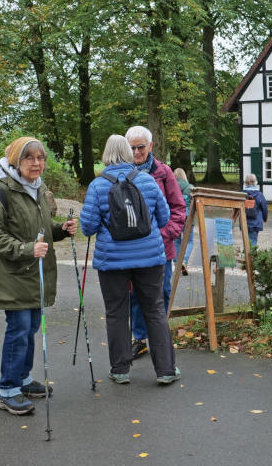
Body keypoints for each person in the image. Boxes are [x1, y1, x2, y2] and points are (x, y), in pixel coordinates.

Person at [0, 137, 77, 415]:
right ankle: (7, 390)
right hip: (12, 274)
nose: (36, 163)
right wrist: (26, 249)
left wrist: (60, 230)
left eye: (40, 158)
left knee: (31, 327)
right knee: (19, 330)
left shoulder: (38, 189)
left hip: (35, 273)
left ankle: (22, 379)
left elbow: (39, 228)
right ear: (15, 161)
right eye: (29, 158)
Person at [80, 135, 178, 386]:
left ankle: (121, 369)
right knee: (155, 310)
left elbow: (88, 227)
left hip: (112, 260)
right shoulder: (146, 180)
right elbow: (165, 217)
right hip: (150, 257)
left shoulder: (98, 185)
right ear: (127, 152)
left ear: (106, 154)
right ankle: (166, 369)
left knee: (116, 312)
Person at [125, 126, 186, 360]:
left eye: (141, 147)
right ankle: (139, 339)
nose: (137, 152)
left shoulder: (163, 172)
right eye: (132, 148)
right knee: (135, 295)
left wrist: (166, 233)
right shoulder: (122, 172)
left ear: (150, 146)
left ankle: (159, 335)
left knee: (162, 291)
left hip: (161, 248)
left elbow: (178, 207)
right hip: (132, 248)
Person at [172, 168, 194, 274]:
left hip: (175, 218)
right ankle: (184, 261)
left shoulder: (171, 187)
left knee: (176, 241)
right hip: (188, 217)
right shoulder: (190, 188)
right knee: (189, 241)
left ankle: (177, 264)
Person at [242, 173, 269, 249]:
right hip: (256, 222)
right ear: (255, 182)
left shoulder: (242, 194)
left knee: (246, 242)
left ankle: (247, 258)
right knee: (253, 242)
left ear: (246, 182)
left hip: (245, 222)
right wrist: (265, 218)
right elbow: (265, 208)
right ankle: (251, 259)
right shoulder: (259, 194)